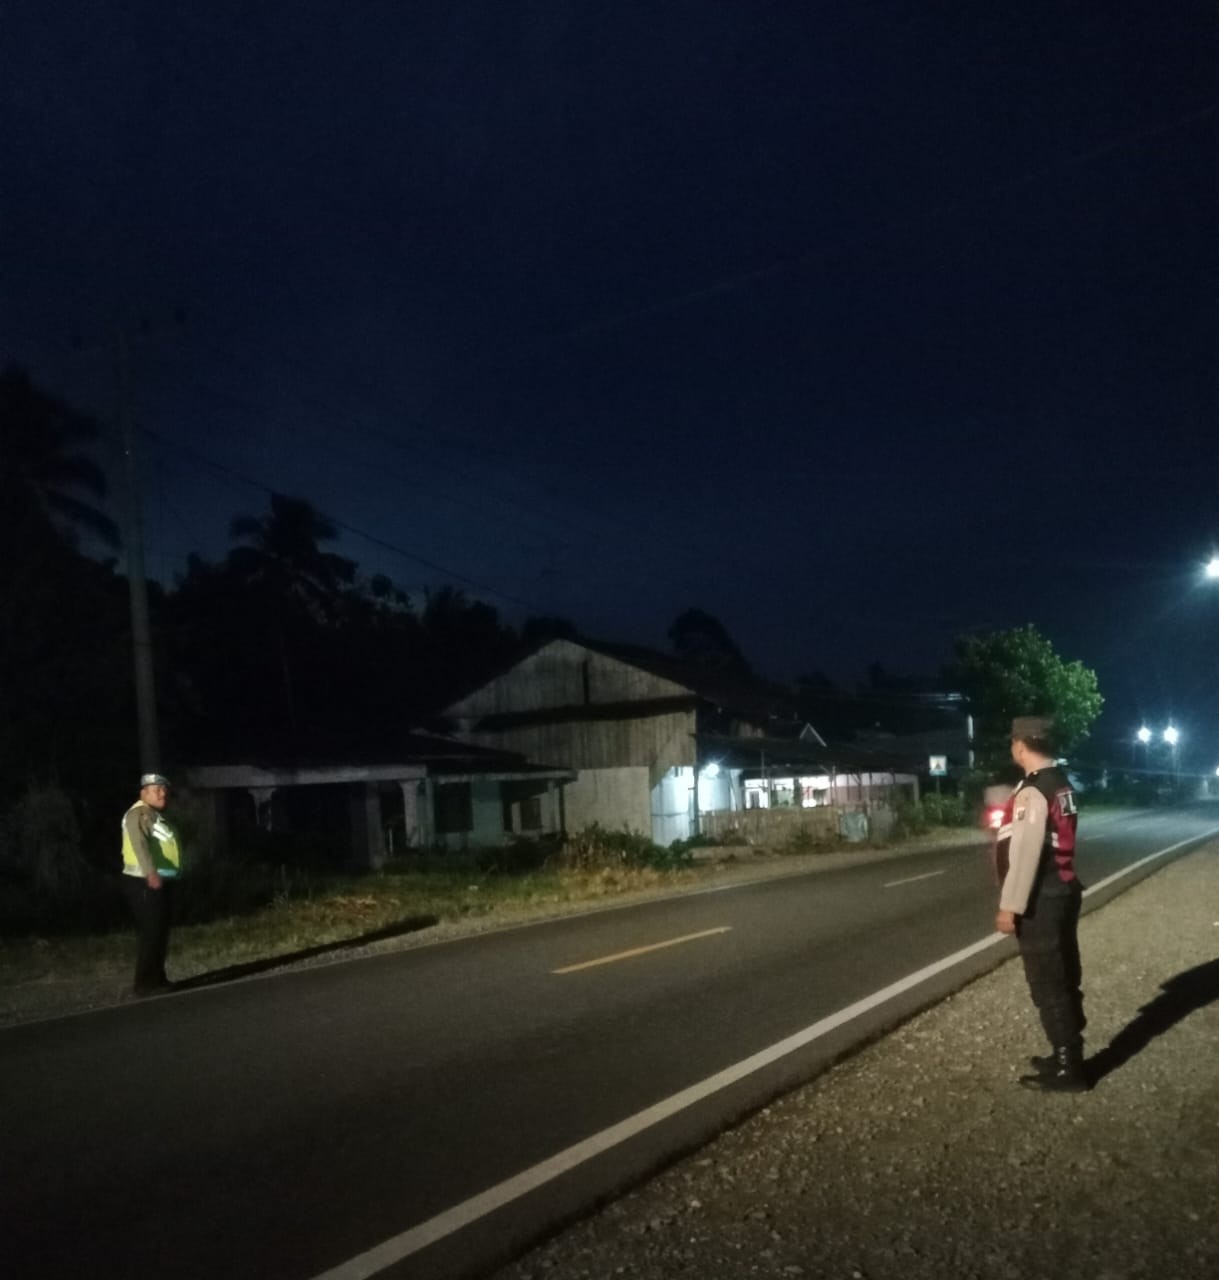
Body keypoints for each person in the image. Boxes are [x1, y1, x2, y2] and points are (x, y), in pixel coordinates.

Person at [994, 716, 1087, 1092]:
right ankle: (1065, 1053)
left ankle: (1071, 1069)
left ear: (1019, 745)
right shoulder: (1061, 783)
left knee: (1048, 982)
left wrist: (1010, 906)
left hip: (1041, 899)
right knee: (1063, 975)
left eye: (1012, 743)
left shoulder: (1034, 791)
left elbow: (1026, 852)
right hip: (1062, 891)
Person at [121, 773, 182, 996]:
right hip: (143, 882)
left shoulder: (153, 815)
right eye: (156, 789)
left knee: (159, 932)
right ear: (143, 793)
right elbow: (139, 844)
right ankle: (145, 984)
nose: (162, 793)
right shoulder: (139, 813)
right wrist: (150, 872)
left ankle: (157, 979)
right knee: (151, 932)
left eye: (164, 790)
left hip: (157, 881)